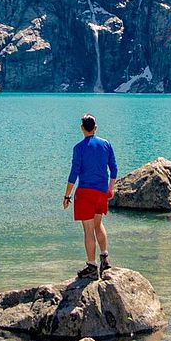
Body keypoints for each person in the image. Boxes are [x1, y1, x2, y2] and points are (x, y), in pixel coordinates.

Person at [62, 113, 117, 279]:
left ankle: (92, 267)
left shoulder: (79, 148)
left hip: (85, 193)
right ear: (95, 128)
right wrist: (110, 189)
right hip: (101, 192)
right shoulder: (106, 144)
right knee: (98, 224)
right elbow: (114, 169)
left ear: (81, 128)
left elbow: (74, 174)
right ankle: (105, 260)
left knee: (88, 230)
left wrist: (67, 196)